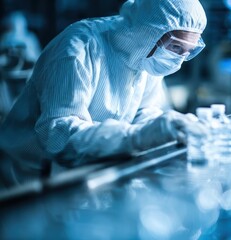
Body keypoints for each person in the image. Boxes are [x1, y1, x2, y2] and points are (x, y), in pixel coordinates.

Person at [0, 0, 208, 188]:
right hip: (27, 179)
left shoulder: (147, 57)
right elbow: (58, 135)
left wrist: (166, 127)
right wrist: (137, 137)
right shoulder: (78, 49)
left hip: (85, 171)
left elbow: (145, 111)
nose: (178, 60)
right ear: (150, 32)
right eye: (176, 48)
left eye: (187, 52)